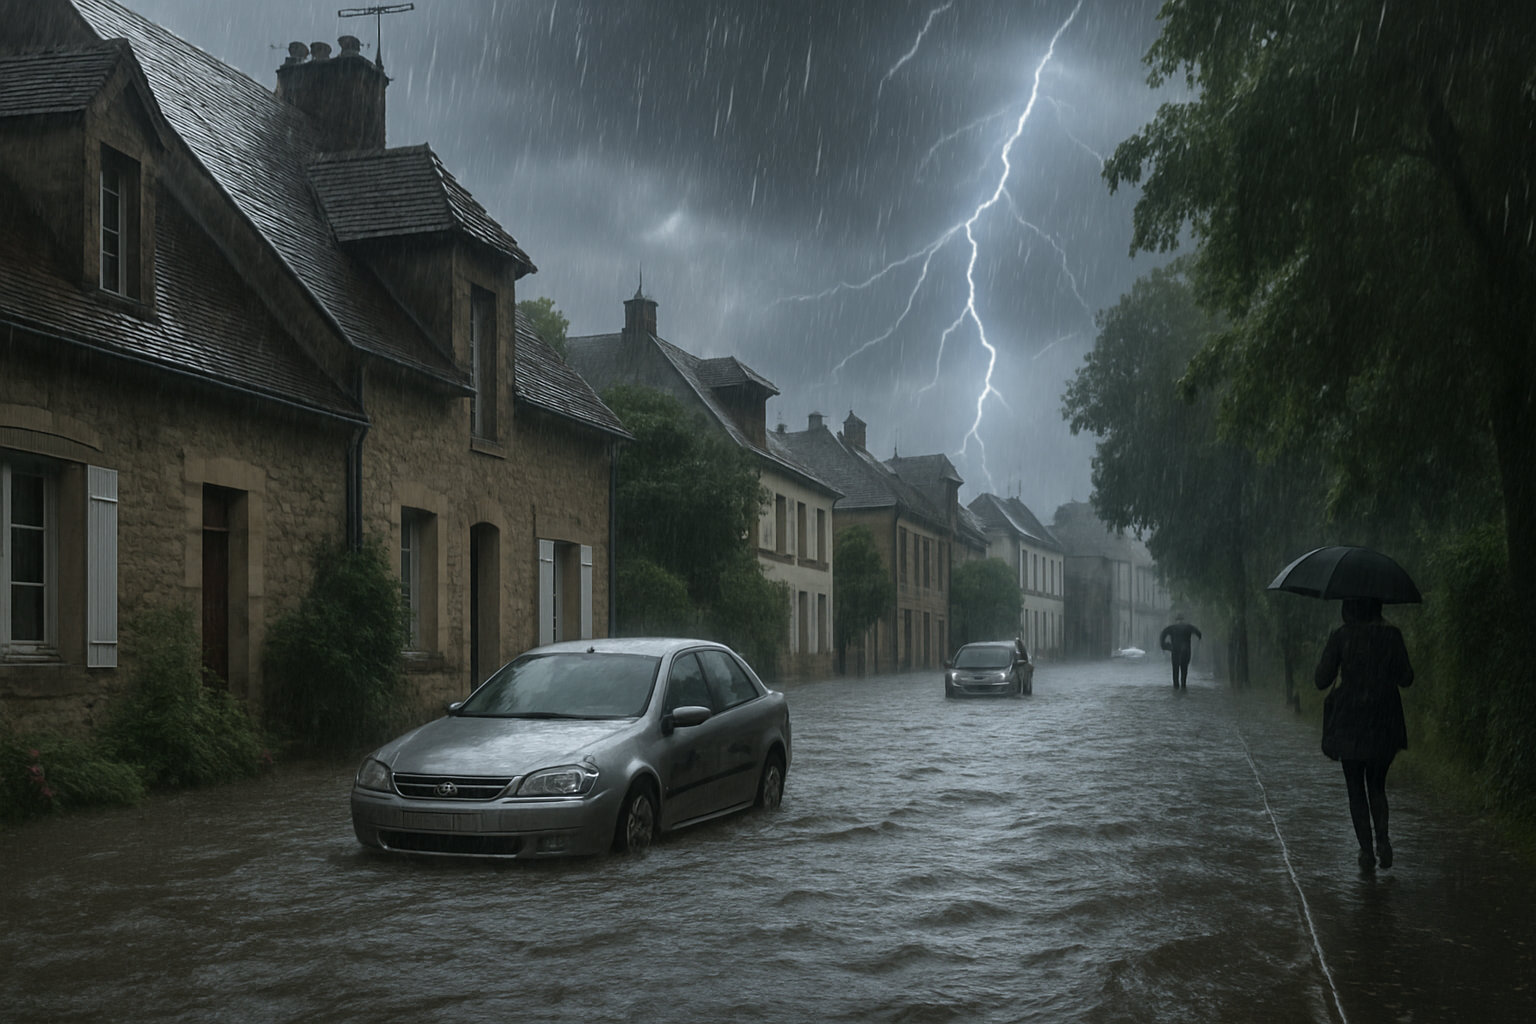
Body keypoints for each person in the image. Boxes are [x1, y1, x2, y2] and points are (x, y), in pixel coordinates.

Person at [1314, 597, 1414, 872]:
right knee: (1377, 785)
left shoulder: (1342, 636)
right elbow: (1407, 678)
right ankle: (1383, 840)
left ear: (1349, 609)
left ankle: (1366, 852)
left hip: (1351, 723)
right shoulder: (1392, 635)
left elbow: (1321, 679)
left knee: (1355, 788)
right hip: (1385, 720)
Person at [1158, 614, 1201, 688]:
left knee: (1175, 670)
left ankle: (1176, 687)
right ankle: (1183, 686)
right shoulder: (1188, 627)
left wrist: (1166, 646)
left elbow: (1162, 635)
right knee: (1184, 670)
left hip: (1175, 650)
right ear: (1183, 619)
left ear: (1176, 620)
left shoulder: (1171, 628)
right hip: (1186, 651)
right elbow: (1199, 634)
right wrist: (1198, 642)